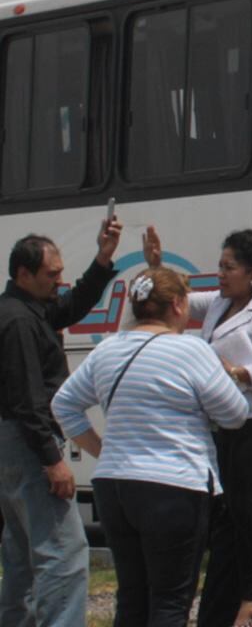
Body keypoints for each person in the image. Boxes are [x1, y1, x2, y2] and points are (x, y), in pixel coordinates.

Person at [51, 267, 249, 626]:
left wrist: (103, 447)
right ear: (176, 304)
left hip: (114, 484)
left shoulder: (107, 349)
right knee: (171, 600)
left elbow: (64, 404)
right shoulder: (191, 349)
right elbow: (235, 413)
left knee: (132, 596)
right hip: (175, 485)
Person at [144, 228, 252, 627]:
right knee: (233, 511)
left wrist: (242, 373)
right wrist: (157, 267)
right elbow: (174, 303)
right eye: (220, 266)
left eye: (229, 267)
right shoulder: (217, 305)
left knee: (248, 505)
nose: (221, 274)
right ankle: (247, 594)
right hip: (226, 421)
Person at [0, 218, 121, 627]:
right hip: (26, 443)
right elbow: (28, 399)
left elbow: (72, 306)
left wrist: (103, 258)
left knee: (22, 557)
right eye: (52, 275)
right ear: (23, 273)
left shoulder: (26, 310)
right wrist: (52, 460)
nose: (59, 281)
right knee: (65, 555)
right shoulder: (18, 322)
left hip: (13, 444)